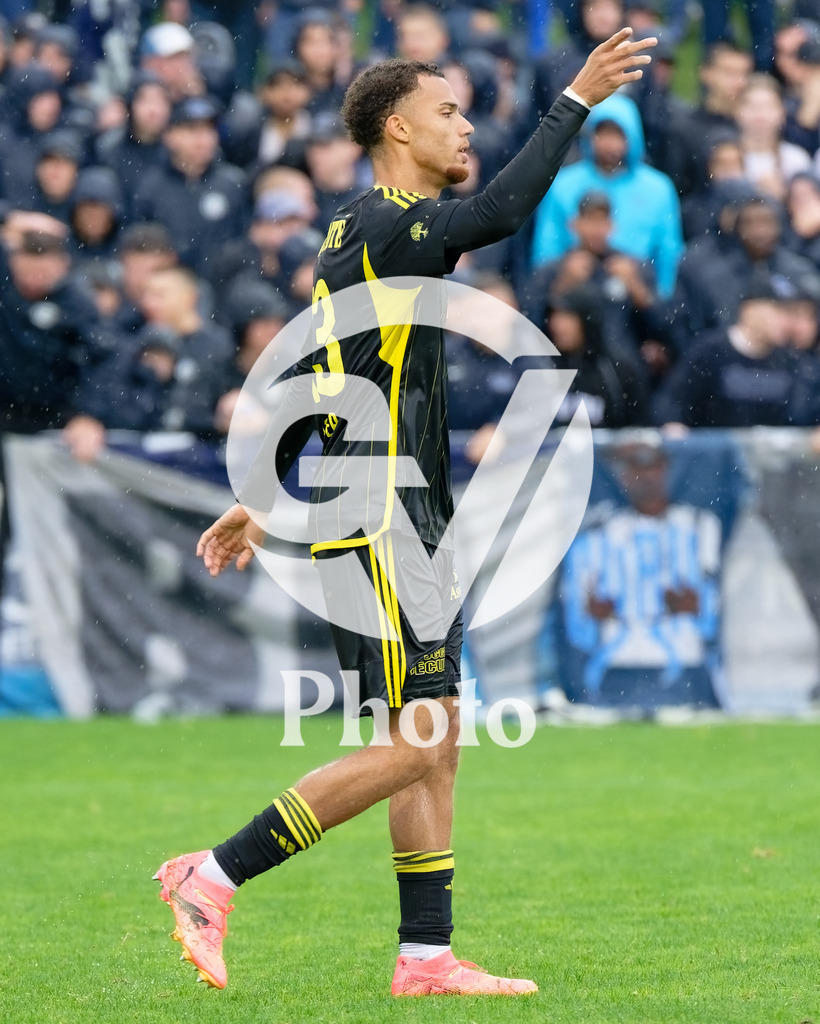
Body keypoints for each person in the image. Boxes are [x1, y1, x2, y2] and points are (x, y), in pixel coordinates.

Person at [154, 28, 656, 998]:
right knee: (416, 742)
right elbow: (501, 212)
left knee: (437, 737)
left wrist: (259, 499)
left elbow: (321, 375)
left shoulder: (362, 230)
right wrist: (577, 100)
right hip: (380, 510)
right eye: (447, 111)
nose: (464, 127)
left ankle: (425, 956)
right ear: (397, 128)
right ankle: (211, 874)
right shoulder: (388, 222)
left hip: (403, 512)